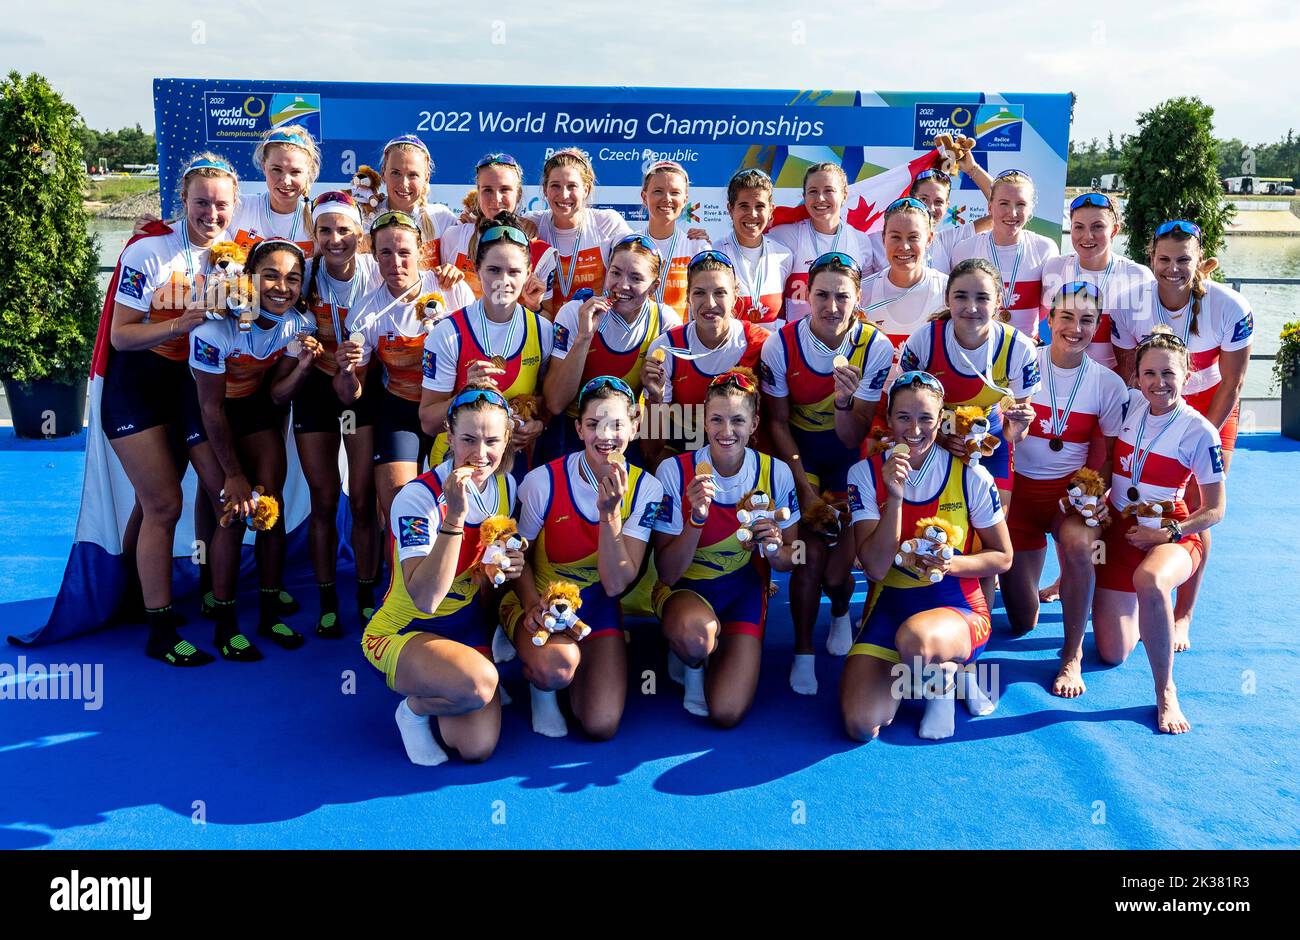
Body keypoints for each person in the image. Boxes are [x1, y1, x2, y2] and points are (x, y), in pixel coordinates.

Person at [103, 153, 239, 666]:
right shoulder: (151, 251)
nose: (211, 213)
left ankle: (138, 599)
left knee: (155, 502)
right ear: (181, 201)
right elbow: (121, 335)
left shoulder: (234, 252)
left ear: (234, 207)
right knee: (163, 505)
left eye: (221, 204)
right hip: (136, 388)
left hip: (187, 390)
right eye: (200, 202)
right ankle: (160, 631)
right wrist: (181, 323)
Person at [840, 371, 1012, 741]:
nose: (914, 429)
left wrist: (952, 564)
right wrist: (895, 497)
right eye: (903, 417)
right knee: (860, 725)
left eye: (925, 419)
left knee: (916, 639)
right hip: (890, 608)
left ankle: (946, 683)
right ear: (888, 419)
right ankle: (938, 671)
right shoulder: (864, 474)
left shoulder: (970, 475)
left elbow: (1003, 557)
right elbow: (875, 566)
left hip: (958, 609)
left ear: (940, 421)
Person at [361, 384, 525, 765]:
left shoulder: (506, 485)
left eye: (491, 441)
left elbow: (491, 564)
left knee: (476, 748)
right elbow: (426, 598)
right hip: (404, 629)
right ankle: (414, 710)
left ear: (506, 442)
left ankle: (455, 679)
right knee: (481, 684)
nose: (480, 454)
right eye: (468, 439)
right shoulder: (417, 498)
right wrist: (454, 516)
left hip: (464, 628)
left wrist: (507, 564)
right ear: (448, 437)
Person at [1111, 219, 1252, 652]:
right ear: (1150, 259)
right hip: (1155, 390)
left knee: (1192, 500)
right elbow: (1128, 371)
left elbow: (1233, 383)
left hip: (1210, 401)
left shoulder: (1229, 306)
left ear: (1201, 262)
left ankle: (1184, 612)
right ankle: (1111, 573)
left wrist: (1196, 436)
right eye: (1164, 259)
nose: (1173, 268)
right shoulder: (1129, 303)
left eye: (1184, 260)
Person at [500, 376, 665, 740]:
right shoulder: (542, 481)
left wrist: (610, 515)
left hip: (598, 605)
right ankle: (541, 686)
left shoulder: (648, 488)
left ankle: (572, 668)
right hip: (540, 599)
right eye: (593, 425)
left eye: (617, 425)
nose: (605, 436)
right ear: (578, 429)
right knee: (555, 669)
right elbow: (515, 555)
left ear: (635, 428)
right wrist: (531, 606)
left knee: (601, 724)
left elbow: (616, 583)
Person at [760, 252, 894, 692]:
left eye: (842, 296)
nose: (831, 306)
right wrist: (805, 491)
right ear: (805, 295)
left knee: (838, 573)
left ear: (858, 299)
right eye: (822, 295)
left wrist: (841, 402)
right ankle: (802, 651)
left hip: (848, 455)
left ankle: (839, 610)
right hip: (800, 455)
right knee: (809, 555)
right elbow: (777, 423)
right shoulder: (780, 343)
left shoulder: (875, 346)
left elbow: (852, 433)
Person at [189, 238, 321, 660]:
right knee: (233, 509)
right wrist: (233, 473)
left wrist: (302, 366)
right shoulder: (214, 329)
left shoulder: (301, 325)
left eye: (293, 279)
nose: (281, 286)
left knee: (271, 506)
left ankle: (268, 611)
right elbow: (210, 409)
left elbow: (279, 398)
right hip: (205, 415)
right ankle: (225, 626)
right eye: (270, 275)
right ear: (249, 278)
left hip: (254, 410)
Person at [1091, 327, 1227, 734]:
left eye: (1168, 374)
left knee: (1150, 580)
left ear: (1187, 376)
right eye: (1149, 374)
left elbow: (1216, 510)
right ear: (1136, 377)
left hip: (1170, 531)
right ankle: (1146, 613)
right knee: (1113, 653)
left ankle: (1166, 690)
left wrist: (1168, 533)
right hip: (1120, 531)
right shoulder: (1130, 404)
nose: (1158, 383)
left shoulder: (1200, 431)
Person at [998, 283, 1127, 696]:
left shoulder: (1108, 385)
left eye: (1086, 320)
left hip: (1065, 500)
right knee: (1021, 622)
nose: (1075, 328)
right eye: (1066, 317)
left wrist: (1093, 496)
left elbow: (1106, 455)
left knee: (1078, 545)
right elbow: (996, 440)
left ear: (1097, 326)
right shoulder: (1019, 365)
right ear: (1049, 319)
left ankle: (1072, 656)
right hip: (1016, 501)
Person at [651, 368, 800, 725]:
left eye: (737, 420)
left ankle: (705, 648)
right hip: (686, 590)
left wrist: (775, 546)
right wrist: (696, 519)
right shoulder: (673, 471)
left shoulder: (776, 471)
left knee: (727, 713)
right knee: (696, 637)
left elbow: (793, 559)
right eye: (716, 419)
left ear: (754, 424)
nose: (726, 431)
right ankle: (692, 661)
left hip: (742, 591)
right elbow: (668, 572)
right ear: (704, 421)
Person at [347, 211, 475, 528]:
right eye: (385, 253)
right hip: (400, 409)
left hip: (451, 408)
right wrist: (345, 371)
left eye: (404, 253)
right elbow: (352, 392)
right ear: (373, 255)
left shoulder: (451, 288)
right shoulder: (365, 311)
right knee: (396, 503)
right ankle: (402, 576)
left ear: (420, 251)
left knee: (456, 499)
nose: (396, 263)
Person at [294, 191, 383, 635]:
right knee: (324, 500)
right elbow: (245, 277)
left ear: (359, 234)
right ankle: (328, 599)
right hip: (315, 389)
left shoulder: (375, 271)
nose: (335, 239)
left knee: (365, 501)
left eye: (344, 230)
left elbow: (426, 289)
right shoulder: (303, 273)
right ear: (313, 234)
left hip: (361, 390)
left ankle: (367, 595)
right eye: (325, 230)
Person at [898, 258, 1040, 526]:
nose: (971, 307)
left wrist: (1018, 425)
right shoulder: (923, 340)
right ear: (947, 298)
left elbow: (1015, 434)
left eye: (982, 298)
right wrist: (938, 438)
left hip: (990, 446)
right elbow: (901, 414)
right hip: (932, 445)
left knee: (990, 541)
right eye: (961, 296)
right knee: (936, 534)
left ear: (998, 301)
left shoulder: (1019, 348)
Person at [421, 216, 554, 475]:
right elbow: (428, 422)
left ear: (528, 274)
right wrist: (465, 392)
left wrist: (540, 423)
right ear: (476, 269)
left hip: (514, 467)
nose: (504, 280)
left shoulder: (542, 331)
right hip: (456, 464)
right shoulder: (448, 333)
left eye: (514, 272)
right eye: (494, 270)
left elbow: (546, 403)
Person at [541, 234, 680, 457]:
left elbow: (654, 448)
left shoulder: (665, 322)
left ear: (654, 286)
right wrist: (584, 338)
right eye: (615, 273)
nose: (622, 285)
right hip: (573, 434)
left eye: (636, 278)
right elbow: (555, 404)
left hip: (623, 437)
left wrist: (655, 398)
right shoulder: (576, 312)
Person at [641, 250, 770, 469]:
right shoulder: (667, 348)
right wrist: (655, 398)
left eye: (720, 292)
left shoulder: (762, 343)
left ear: (735, 295)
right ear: (687, 296)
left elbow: (775, 423)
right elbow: (651, 451)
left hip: (743, 448)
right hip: (686, 446)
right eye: (699, 293)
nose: (710, 303)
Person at [949, 169, 1059, 340]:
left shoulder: (1045, 248)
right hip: (979, 350)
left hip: (1027, 351)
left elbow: (1050, 308)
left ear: (1030, 210)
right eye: (1004, 203)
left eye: (1021, 204)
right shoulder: (965, 250)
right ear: (990, 207)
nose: (1012, 212)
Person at [439, 152, 555, 308]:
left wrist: (534, 305)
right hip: (462, 331)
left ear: (518, 195)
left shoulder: (539, 250)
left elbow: (547, 318)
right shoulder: (453, 237)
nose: (496, 199)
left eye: (505, 189)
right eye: (487, 190)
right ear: (478, 193)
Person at [525, 148, 633, 316]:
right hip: (546, 332)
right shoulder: (532, 223)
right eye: (555, 186)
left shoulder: (606, 223)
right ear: (545, 189)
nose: (564, 194)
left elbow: (640, 257)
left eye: (572, 186)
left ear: (586, 189)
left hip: (595, 334)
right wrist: (471, 220)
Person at [768, 162, 877, 322]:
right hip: (797, 340)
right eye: (813, 191)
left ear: (845, 195)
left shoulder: (860, 241)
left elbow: (866, 297)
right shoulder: (785, 236)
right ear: (804, 196)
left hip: (844, 340)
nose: (820, 198)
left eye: (829, 190)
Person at [857, 197, 949, 359]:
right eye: (895, 237)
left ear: (929, 239)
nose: (904, 247)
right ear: (883, 238)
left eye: (913, 237)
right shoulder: (862, 293)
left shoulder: (947, 290)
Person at [710, 168, 792, 330]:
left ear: (771, 210)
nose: (752, 214)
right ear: (730, 209)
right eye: (744, 206)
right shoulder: (715, 254)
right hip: (729, 354)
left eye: (760, 206)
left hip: (770, 354)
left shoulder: (784, 256)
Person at [374, 134, 461, 279]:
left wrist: (452, 271)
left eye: (413, 175)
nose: (404, 184)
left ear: (426, 177)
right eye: (396, 173)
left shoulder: (441, 217)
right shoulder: (366, 217)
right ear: (383, 172)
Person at [636, 160, 711, 320]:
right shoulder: (632, 245)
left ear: (685, 200)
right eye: (658, 191)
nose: (667, 198)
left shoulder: (697, 247)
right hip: (637, 342)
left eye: (675, 192)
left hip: (679, 342)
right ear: (644, 197)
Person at [227, 126, 318, 256]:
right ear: (264, 167)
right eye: (276, 169)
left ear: (308, 173)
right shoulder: (239, 208)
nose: (286, 181)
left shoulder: (317, 218)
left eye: (295, 172)